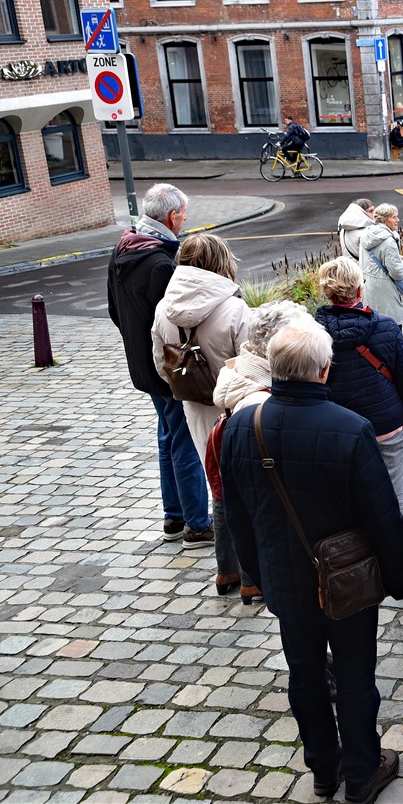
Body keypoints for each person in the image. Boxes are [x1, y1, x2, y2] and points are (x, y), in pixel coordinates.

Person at [219, 321, 403, 804]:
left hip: (284, 580)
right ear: (325, 369)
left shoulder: (241, 426)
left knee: (305, 675)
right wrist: (399, 577)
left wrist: (258, 576)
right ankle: (362, 771)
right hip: (346, 581)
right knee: (354, 676)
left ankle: (323, 769)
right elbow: (381, 515)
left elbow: (236, 514)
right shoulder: (350, 429)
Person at [107, 183, 212, 548]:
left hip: (143, 364)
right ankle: (197, 524)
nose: (185, 219)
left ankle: (174, 517)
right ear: (171, 217)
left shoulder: (124, 248)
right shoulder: (161, 263)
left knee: (168, 436)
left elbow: (114, 310)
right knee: (184, 441)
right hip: (169, 367)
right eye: (183, 214)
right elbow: (177, 321)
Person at [149, 232, 250, 564]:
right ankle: (248, 571)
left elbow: (162, 366)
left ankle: (226, 567)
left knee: (217, 484)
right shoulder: (234, 308)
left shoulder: (163, 309)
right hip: (236, 410)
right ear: (221, 263)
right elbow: (252, 366)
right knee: (245, 489)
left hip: (194, 408)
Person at [314, 257, 403, 548]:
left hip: (341, 432)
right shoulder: (386, 327)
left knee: (350, 497)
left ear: (327, 292)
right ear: (360, 290)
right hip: (388, 426)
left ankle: (361, 560)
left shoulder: (315, 333)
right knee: (396, 492)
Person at [210, 300, 309, 602]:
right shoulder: (261, 393)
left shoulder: (240, 366)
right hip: (249, 446)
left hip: (226, 440)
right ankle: (251, 580)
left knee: (225, 498)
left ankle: (227, 570)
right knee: (253, 505)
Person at [358, 204, 403, 323]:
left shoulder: (366, 235)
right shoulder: (388, 241)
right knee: (391, 327)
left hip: (369, 290)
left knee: (375, 326)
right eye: (394, 217)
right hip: (387, 293)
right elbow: (397, 273)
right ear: (384, 220)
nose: (398, 220)